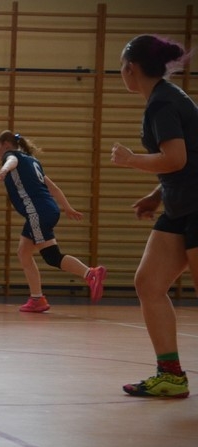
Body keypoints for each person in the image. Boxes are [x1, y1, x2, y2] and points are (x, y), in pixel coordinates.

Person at [110, 34, 197, 398]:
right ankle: (171, 375)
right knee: (149, 283)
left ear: (131, 68)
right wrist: (156, 195)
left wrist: (131, 160)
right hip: (181, 206)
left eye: (121, 66)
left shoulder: (163, 103)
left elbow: (176, 158)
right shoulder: (165, 98)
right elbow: (186, 161)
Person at [0, 130, 106, 312]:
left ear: (6, 145)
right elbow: (53, 188)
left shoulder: (12, 156)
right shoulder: (32, 161)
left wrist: (5, 169)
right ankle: (37, 298)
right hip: (47, 210)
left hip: (37, 212)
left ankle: (90, 274)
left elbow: (11, 160)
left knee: (51, 256)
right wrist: (67, 207)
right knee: (24, 253)